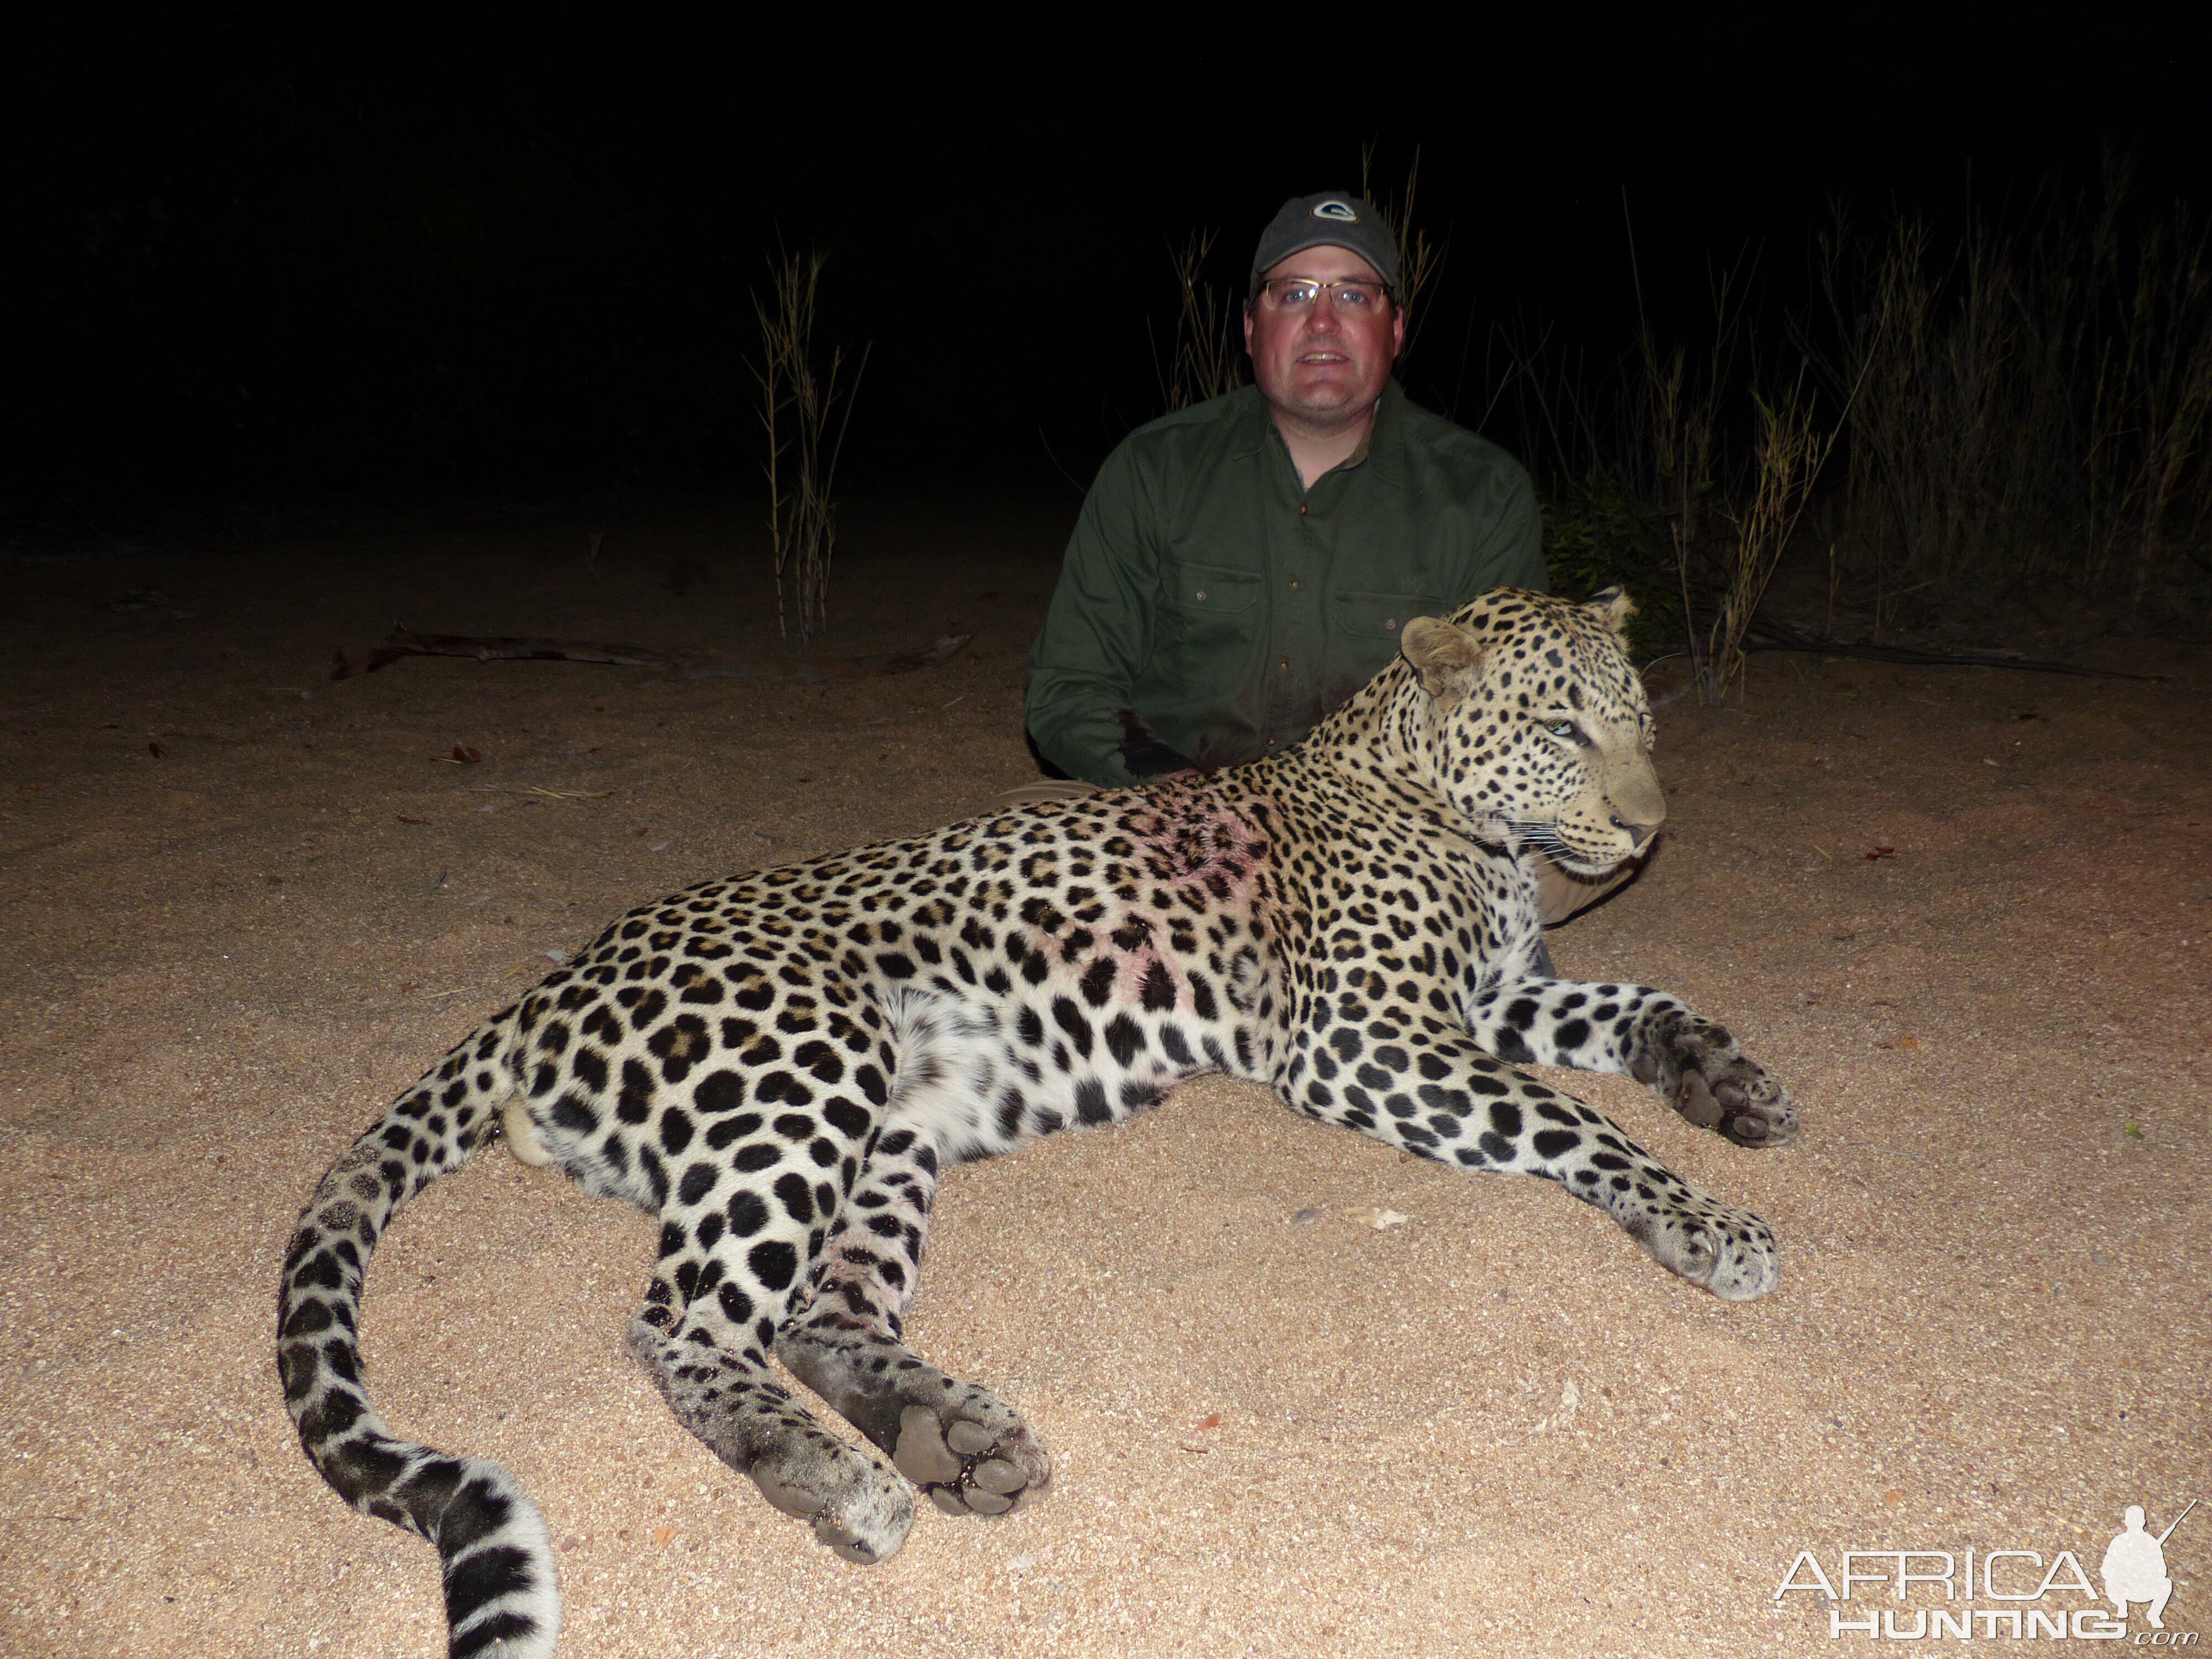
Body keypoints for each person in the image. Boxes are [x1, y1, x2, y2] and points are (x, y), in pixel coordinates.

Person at [1019, 190, 1640, 930]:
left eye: (1353, 294)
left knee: (1578, 853)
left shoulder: (1482, 491)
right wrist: (1186, 800)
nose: (1322, 320)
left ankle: (1266, 933)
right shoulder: (1153, 469)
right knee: (1013, 842)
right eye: (1294, 294)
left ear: (1396, 328)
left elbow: (1516, 719)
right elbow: (1067, 688)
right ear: (1251, 328)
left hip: (1391, 836)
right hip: (1174, 817)